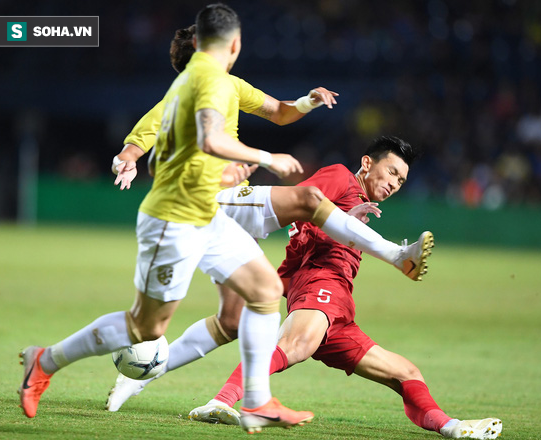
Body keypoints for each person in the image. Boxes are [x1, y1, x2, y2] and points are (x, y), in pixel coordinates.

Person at [19, 4, 318, 433]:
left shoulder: (192, 79)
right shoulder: (211, 80)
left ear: (197, 42)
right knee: (145, 327)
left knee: (266, 290)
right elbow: (212, 139)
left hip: (205, 213)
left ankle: (256, 401)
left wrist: (139, 155)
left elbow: (174, 141)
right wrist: (267, 157)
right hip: (174, 221)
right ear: (235, 44)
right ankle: (44, 360)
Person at [104, 25, 434, 414]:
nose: (232, 50)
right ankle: (398, 256)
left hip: (225, 214)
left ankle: (138, 377)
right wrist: (129, 155)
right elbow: (153, 122)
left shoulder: (230, 86)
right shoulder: (190, 90)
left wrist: (308, 102)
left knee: (231, 320)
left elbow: (278, 111)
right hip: (214, 198)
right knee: (309, 199)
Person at [188, 136, 503, 439]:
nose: (395, 183)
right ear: (367, 163)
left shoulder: (357, 203)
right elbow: (297, 205)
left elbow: (310, 237)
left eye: (402, 181)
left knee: (407, 373)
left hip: (339, 311)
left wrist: (341, 222)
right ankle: (220, 401)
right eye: (392, 172)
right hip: (320, 284)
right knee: (294, 345)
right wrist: (339, 221)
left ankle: (453, 427)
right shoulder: (341, 177)